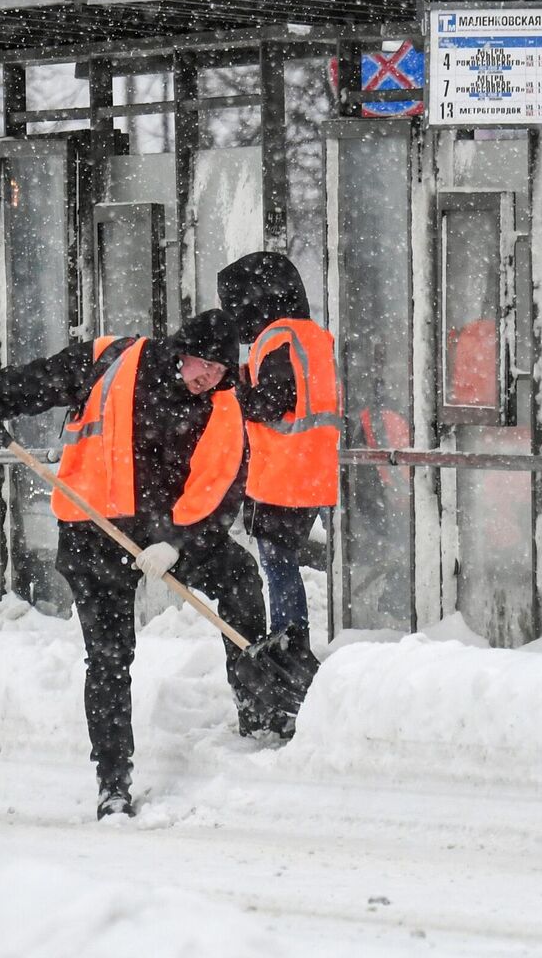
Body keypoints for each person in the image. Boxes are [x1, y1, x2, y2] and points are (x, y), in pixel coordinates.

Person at [0, 310, 260, 819]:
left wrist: (179, 543)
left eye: (220, 371)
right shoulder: (113, 359)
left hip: (169, 531)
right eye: (203, 365)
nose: (209, 377)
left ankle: (258, 706)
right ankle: (112, 780)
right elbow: (41, 380)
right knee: (111, 658)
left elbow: (221, 484)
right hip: (93, 531)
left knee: (240, 577)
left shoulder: (222, 403)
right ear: (181, 349)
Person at [216, 252, 337, 737]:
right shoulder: (313, 335)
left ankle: (291, 658)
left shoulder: (277, 338)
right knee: (284, 568)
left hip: (283, 475)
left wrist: (232, 396)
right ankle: (293, 653)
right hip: (316, 470)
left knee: (279, 570)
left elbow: (274, 401)